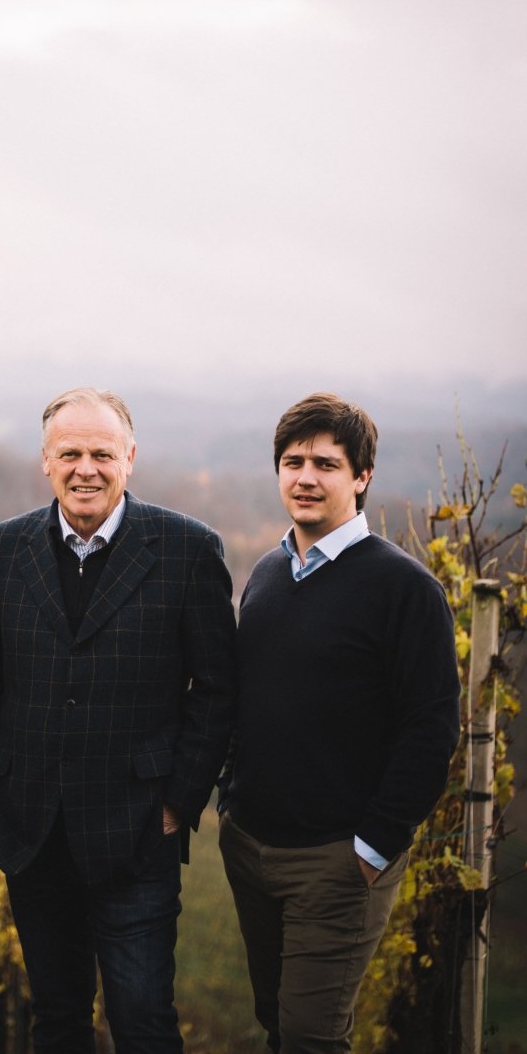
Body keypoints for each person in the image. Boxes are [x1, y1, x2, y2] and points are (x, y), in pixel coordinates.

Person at [0, 387, 236, 1054]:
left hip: (138, 829)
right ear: (45, 462)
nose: (87, 468)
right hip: (32, 827)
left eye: (102, 453)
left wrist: (180, 799)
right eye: (71, 453)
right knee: (56, 1019)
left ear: (129, 458)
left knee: (142, 1020)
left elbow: (218, 689)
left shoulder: (189, 551)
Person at [218, 392, 461, 1054]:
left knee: (310, 1036)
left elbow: (431, 727)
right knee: (276, 1019)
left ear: (362, 478)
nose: (305, 476)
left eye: (326, 463)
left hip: (338, 860)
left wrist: (374, 845)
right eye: (293, 461)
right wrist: (229, 798)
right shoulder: (268, 572)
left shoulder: (405, 589)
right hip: (251, 847)